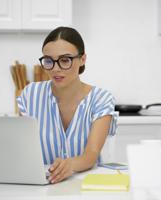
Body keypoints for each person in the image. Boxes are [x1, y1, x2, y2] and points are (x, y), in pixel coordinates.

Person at [17, 26, 117, 184]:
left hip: (85, 186)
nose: (55, 69)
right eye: (49, 61)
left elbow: (91, 154)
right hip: (42, 186)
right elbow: (23, 150)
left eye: (65, 60)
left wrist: (70, 164)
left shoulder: (101, 99)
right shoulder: (30, 95)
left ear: (82, 59)